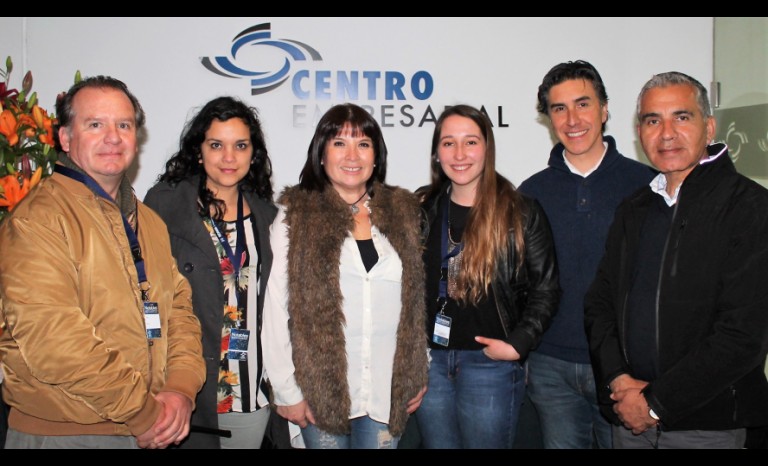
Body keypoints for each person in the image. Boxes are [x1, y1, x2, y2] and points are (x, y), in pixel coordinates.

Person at [0, 76, 205, 449]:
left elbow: (178, 311)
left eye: (123, 125)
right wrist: (142, 413)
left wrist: (180, 389)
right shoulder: (38, 220)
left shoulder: (150, 223)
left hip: (149, 426)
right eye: (95, 124)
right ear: (64, 138)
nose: (113, 137)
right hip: (65, 433)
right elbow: (54, 340)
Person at [584, 71, 768, 449]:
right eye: (653, 120)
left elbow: (742, 335)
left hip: (707, 427)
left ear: (710, 126)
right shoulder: (633, 209)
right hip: (629, 419)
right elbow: (600, 305)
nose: (666, 133)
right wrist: (619, 380)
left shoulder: (749, 207)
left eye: (681, 117)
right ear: (639, 132)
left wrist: (654, 404)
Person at [262, 103, 428, 449]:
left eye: (363, 144)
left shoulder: (403, 212)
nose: (352, 155)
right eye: (339, 143)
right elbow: (275, 310)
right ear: (321, 154)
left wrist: (417, 368)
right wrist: (286, 389)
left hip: (386, 393)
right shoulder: (296, 216)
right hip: (320, 395)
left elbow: (413, 302)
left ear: (376, 155)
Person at [518, 60, 656, 449]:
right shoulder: (531, 192)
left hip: (626, 370)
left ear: (605, 109)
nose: (572, 118)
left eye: (583, 104)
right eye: (559, 108)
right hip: (550, 368)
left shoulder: (646, 185)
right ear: (549, 118)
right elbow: (521, 281)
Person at [415, 104, 560, 449]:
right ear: (437, 153)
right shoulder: (422, 208)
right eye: (449, 143)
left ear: (487, 148)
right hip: (430, 365)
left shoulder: (521, 211)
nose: (460, 154)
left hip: (490, 367)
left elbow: (546, 288)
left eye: (471, 142)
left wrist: (518, 344)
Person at [144, 96, 279, 448]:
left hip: (249, 387)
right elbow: (146, 293)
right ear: (199, 151)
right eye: (216, 145)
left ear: (254, 153)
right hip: (188, 388)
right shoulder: (166, 205)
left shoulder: (268, 215)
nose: (229, 157)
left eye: (240, 145)